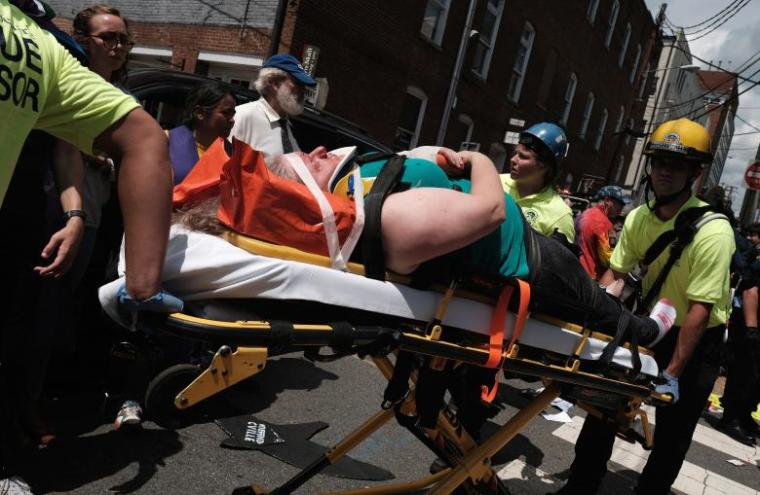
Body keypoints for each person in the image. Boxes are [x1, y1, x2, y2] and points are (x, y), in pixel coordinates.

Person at [0, 0, 180, 490]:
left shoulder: (46, 54)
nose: (118, 47)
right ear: (84, 38)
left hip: (79, 221)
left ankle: (22, 417)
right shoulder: (46, 50)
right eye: (108, 38)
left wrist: (78, 215)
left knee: (35, 328)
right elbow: (76, 150)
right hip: (40, 213)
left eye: (124, 39)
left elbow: (130, 143)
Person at [554, 118, 735, 495]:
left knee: (673, 431)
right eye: (659, 162)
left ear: (695, 173)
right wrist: (595, 327)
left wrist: (669, 373)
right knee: (603, 407)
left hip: (697, 343)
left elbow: (700, 311)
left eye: (677, 164)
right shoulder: (638, 217)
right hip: (649, 326)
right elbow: (616, 276)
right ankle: (581, 485)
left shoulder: (714, 231)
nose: (665, 171)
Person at [230, 53, 317, 165]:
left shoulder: (285, 125)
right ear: (274, 83)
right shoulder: (242, 116)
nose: (303, 90)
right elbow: (221, 168)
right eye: (298, 83)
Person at [719, 222, 760, 444]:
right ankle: (731, 416)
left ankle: (744, 413)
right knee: (745, 371)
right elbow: (751, 290)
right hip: (748, 323)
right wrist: (752, 328)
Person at [500, 123, 575, 243]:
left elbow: (559, 260)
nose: (513, 160)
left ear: (543, 166)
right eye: (515, 153)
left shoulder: (560, 216)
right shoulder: (494, 181)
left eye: (523, 157)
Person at [168, 81, 236, 184]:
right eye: (226, 113)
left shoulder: (233, 154)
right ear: (199, 113)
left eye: (233, 114)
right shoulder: (166, 143)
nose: (232, 120)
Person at [576, 185, 630, 280]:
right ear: (607, 200)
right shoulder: (604, 224)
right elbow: (608, 259)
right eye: (620, 203)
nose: (622, 207)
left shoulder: (587, 213)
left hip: (576, 269)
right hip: (590, 277)